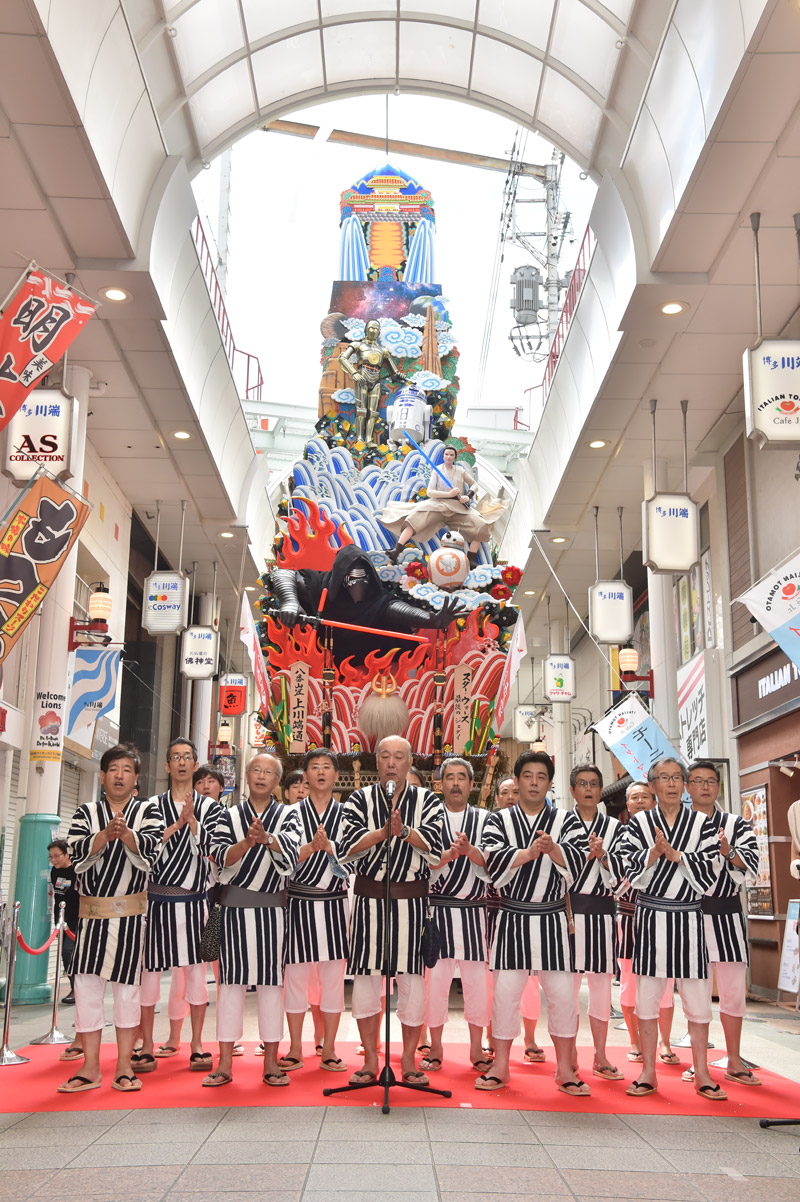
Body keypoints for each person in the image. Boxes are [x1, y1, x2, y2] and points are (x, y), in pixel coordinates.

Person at [480, 750, 589, 1095]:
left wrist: (553, 850)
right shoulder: (499, 820)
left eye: (541, 777)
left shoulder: (567, 821)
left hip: (552, 917)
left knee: (562, 997)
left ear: (549, 783)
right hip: (513, 916)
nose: (534, 782)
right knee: (505, 995)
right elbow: (491, 864)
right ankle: (500, 1066)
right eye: (528, 776)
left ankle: (566, 1068)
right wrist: (526, 854)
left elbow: (579, 864)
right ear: (517, 779)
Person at [58, 744, 164, 1094]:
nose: (119, 775)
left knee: (127, 993)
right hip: (91, 915)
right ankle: (89, 1066)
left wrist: (128, 836)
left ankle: (123, 1065)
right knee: (87, 989)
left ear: (136, 779)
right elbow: (73, 851)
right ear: (102, 776)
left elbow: (153, 848)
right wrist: (104, 835)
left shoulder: (148, 811)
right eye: (113, 769)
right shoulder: (85, 811)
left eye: (126, 770)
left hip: (131, 915)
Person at [339, 735, 442, 1087]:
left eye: (399, 756)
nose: (392, 763)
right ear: (376, 761)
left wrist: (406, 832)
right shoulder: (358, 799)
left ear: (410, 761)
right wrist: (382, 833)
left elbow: (437, 849)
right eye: (385, 756)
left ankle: (410, 1059)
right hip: (369, 900)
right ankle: (370, 1060)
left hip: (411, 902)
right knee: (367, 984)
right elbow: (345, 849)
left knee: (412, 984)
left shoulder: (428, 800)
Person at [620, 757, 724, 1101]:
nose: (671, 783)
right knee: (647, 998)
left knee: (697, 999)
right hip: (650, 917)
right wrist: (653, 854)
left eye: (677, 777)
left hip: (690, 918)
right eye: (663, 778)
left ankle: (702, 1072)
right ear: (652, 785)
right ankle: (648, 1071)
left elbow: (711, 872)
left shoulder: (702, 824)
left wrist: (676, 855)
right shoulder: (638, 824)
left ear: (685, 784)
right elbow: (625, 870)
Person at [203, 753, 302, 1088]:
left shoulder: (289, 815)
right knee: (229, 987)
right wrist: (246, 842)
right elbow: (216, 855)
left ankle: (272, 1062)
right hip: (232, 911)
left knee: (272, 988)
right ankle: (225, 1062)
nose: (262, 776)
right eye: (256, 770)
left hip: (272, 913)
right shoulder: (227, 815)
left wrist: (268, 839)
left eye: (269, 772)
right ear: (246, 775)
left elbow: (291, 855)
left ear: (278, 780)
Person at [136, 739, 224, 1075]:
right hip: (156, 900)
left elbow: (214, 851)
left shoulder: (211, 808)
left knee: (197, 975)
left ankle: (197, 1044)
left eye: (188, 757)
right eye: (176, 757)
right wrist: (176, 825)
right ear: (167, 765)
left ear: (195, 762)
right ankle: (146, 1045)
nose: (182, 763)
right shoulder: (151, 807)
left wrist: (193, 824)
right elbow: (144, 850)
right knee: (149, 975)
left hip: (194, 902)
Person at [683, 759, 761, 1086]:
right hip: (690, 914)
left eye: (711, 781)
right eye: (698, 781)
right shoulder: (678, 824)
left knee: (732, 991)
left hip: (728, 912)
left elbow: (753, 864)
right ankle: (698, 1063)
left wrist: (729, 853)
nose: (705, 787)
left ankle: (733, 1058)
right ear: (687, 787)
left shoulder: (736, 824)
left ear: (718, 786)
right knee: (695, 991)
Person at [267, 544, 462, 667]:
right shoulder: (319, 585)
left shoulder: (375, 600)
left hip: (370, 666)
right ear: (339, 578)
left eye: (363, 578)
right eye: (351, 579)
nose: (357, 585)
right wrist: (289, 602)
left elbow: (399, 611)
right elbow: (283, 574)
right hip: (325, 661)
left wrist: (431, 620)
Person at [281, 748, 349, 1074]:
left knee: (334, 980)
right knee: (294, 979)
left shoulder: (349, 815)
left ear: (336, 775)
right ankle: (295, 1047)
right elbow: (280, 862)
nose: (321, 772)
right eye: (314, 767)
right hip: (298, 902)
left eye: (327, 767)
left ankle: (330, 1048)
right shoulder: (291, 815)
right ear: (304, 776)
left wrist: (332, 849)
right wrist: (309, 849)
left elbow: (355, 861)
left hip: (335, 903)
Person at [423, 758, 491, 1073]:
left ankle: (476, 1048)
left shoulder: (486, 819)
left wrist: (470, 851)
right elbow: (421, 864)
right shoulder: (430, 819)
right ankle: (435, 1047)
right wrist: (447, 856)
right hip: (438, 911)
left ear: (471, 784)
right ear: (440, 784)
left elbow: (495, 863)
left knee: (477, 985)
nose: (455, 783)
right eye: (449, 777)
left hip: (475, 912)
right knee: (435, 983)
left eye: (461, 777)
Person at [568, 764, 626, 1080]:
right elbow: (552, 871)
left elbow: (624, 878)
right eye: (582, 783)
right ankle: (570, 1052)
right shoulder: (561, 824)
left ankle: (601, 1054)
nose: (588, 789)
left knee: (601, 985)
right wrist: (584, 858)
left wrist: (603, 857)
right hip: (569, 913)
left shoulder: (615, 828)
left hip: (603, 911)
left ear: (601, 790)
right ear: (573, 789)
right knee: (569, 987)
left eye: (594, 784)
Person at [616, 781, 675, 1064]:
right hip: (628, 917)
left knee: (664, 982)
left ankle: (665, 1042)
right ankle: (634, 1040)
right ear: (628, 805)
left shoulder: (673, 832)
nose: (640, 801)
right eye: (634, 797)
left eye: (645, 797)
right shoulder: (619, 835)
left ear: (654, 801)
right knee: (629, 982)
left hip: (663, 918)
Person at [384, 443, 494, 568]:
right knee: (415, 519)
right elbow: (430, 492)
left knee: (481, 524)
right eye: (446, 454)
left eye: (451, 455)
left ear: (455, 457)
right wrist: (449, 494)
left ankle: (472, 558)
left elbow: (474, 484)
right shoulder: (436, 471)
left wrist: (467, 496)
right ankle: (396, 550)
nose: (448, 457)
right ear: (443, 456)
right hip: (438, 505)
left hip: (458, 507)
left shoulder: (460, 471)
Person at [337, 317, 404, 443]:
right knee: (361, 410)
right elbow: (342, 358)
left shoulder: (383, 351)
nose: (373, 331)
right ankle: (359, 438)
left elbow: (395, 370)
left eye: (376, 329)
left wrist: (402, 377)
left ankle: (368, 438)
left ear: (379, 332)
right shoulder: (358, 345)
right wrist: (354, 373)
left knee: (373, 412)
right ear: (365, 330)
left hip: (376, 378)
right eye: (371, 328)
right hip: (362, 376)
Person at [48, 839, 78, 1004]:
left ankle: (77, 989)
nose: (53, 860)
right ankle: (77, 988)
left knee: (68, 951)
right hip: (61, 919)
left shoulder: (77, 870)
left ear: (67, 854)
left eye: (57, 856)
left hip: (76, 920)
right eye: (51, 857)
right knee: (65, 954)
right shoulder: (54, 871)